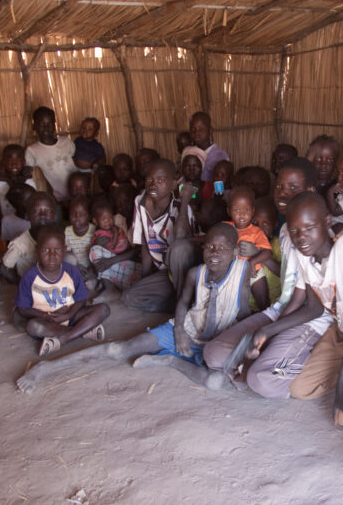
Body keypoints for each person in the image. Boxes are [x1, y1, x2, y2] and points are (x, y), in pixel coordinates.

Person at [16, 224, 251, 393]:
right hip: (186, 330)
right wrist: (179, 329)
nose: (214, 253)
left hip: (215, 342)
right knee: (118, 349)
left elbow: (242, 312)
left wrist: (241, 348)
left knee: (215, 383)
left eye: (223, 248)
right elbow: (182, 303)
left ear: (234, 251)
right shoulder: (195, 273)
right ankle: (45, 368)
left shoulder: (243, 271)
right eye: (210, 247)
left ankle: (169, 361)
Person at [246, 193, 343, 431]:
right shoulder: (304, 254)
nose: (301, 237)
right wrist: (266, 330)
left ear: (327, 222)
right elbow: (314, 307)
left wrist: (342, 385)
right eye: (294, 230)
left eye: (309, 228)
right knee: (299, 389)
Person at [203, 158, 319, 381]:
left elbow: (313, 306)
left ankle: (310, 364)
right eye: (279, 186)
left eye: (293, 188)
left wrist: (271, 330)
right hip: (280, 309)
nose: (283, 193)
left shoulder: (315, 235)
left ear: (310, 191)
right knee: (212, 353)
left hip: (306, 320)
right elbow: (288, 285)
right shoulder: (285, 231)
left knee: (260, 379)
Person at [13, 224, 110, 357]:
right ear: (37, 250)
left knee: (103, 309)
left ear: (64, 251)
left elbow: (81, 299)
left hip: (72, 316)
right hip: (48, 321)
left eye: (57, 251)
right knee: (32, 326)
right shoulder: (30, 277)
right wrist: (44, 315)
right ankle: (84, 331)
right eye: (46, 250)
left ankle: (63, 339)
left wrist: (69, 314)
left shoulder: (71, 271)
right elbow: (22, 309)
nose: (52, 256)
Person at [122, 159, 198, 312]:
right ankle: (178, 304)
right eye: (149, 180)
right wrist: (144, 279)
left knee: (178, 249)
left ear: (173, 185)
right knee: (129, 297)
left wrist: (184, 202)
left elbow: (182, 238)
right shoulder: (140, 202)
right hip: (165, 273)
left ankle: (183, 304)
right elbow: (145, 245)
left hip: (184, 271)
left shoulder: (181, 209)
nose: (153, 185)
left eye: (161, 180)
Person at [226, 187, 273, 311]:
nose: (242, 214)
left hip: (255, 272)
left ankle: (267, 321)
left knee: (263, 299)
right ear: (229, 211)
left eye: (246, 209)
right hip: (232, 273)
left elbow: (267, 252)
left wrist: (252, 262)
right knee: (234, 303)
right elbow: (210, 238)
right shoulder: (225, 228)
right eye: (236, 210)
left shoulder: (257, 232)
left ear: (253, 211)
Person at [0, 192, 59, 283]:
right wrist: (21, 284)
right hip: (30, 283)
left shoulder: (59, 238)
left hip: (53, 281)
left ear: (55, 217)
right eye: (36, 211)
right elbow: (5, 268)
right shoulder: (20, 243)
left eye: (48, 211)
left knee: (70, 258)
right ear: (27, 216)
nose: (42, 215)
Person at [24, 106, 77, 203]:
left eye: (49, 123)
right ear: (34, 127)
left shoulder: (66, 142)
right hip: (61, 198)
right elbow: (27, 170)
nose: (46, 127)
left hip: (80, 192)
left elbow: (77, 162)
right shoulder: (33, 150)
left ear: (54, 124)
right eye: (41, 124)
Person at [89, 198, 139, 298]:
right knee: (94, 252)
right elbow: (106, 252)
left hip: (125, 267)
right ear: (95, 221)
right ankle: (110, 288)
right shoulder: (99, 235)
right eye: (104, 219)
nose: (108, 221)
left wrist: (112, 260)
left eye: (110, 218)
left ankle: (121, 287)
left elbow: (133, 251)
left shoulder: (118, 229)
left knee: (139, 275)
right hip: (114, 269)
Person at [0, 144, 37, 224]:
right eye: (10, 160)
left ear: (24, 162)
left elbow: (35, 203)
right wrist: (0, 221)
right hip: (7, 223)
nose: (14, 164)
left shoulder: (29, 182)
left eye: (18, 160)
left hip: (27, 222)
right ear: (3, 162)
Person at [251, 196, 282, 306]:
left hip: (274, 306)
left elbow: (284, 272)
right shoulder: (244, 243)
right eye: (254, 223)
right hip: (246, 307)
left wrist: (262, 255)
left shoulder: (279, 245)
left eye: (265, 224)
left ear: (275, 225)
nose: (259, 228)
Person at [63, 196, 96, 289]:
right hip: (75, 266)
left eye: (81, 214)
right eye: (73, 214)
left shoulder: (94, 230)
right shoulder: (67, 231)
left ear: (89, 216)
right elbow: (67, 253)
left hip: (91, 268)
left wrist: (89, 269)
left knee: (91, 285)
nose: (77, 217)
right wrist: (77, 266)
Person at [190, 111, 228, 187]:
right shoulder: (190, 154)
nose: (197, 133)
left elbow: (224, 184)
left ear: (210, 130)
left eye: (201, 129)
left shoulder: (220, 155)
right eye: (193, 130)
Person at [306, 134, 340, 199]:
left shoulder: (339, 187)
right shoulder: (305, 184)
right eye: (318, 159)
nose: (323, 164)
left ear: (336, 162)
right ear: (310, 160)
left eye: (330, 160)